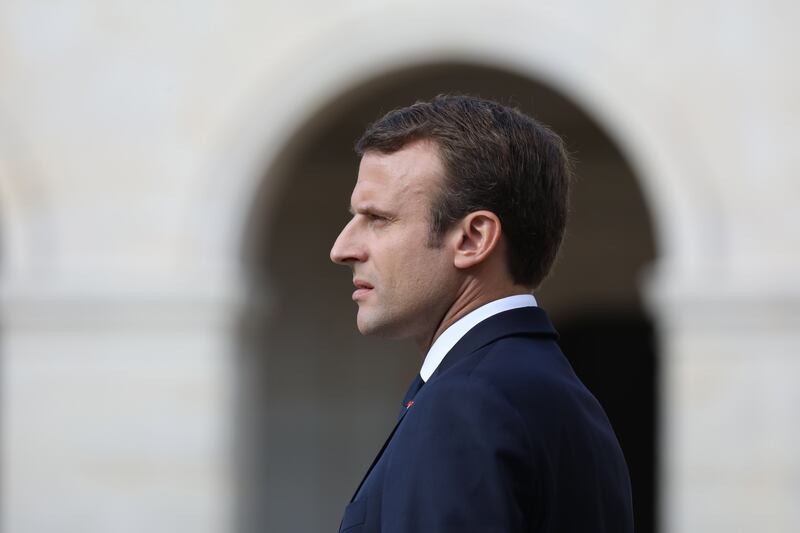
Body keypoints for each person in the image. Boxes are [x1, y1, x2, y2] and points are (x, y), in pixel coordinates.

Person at [330, 95, 633, 533]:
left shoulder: (463, 407)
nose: (342, 249)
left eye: (377, 218)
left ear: (473, 239)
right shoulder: (561, 396)